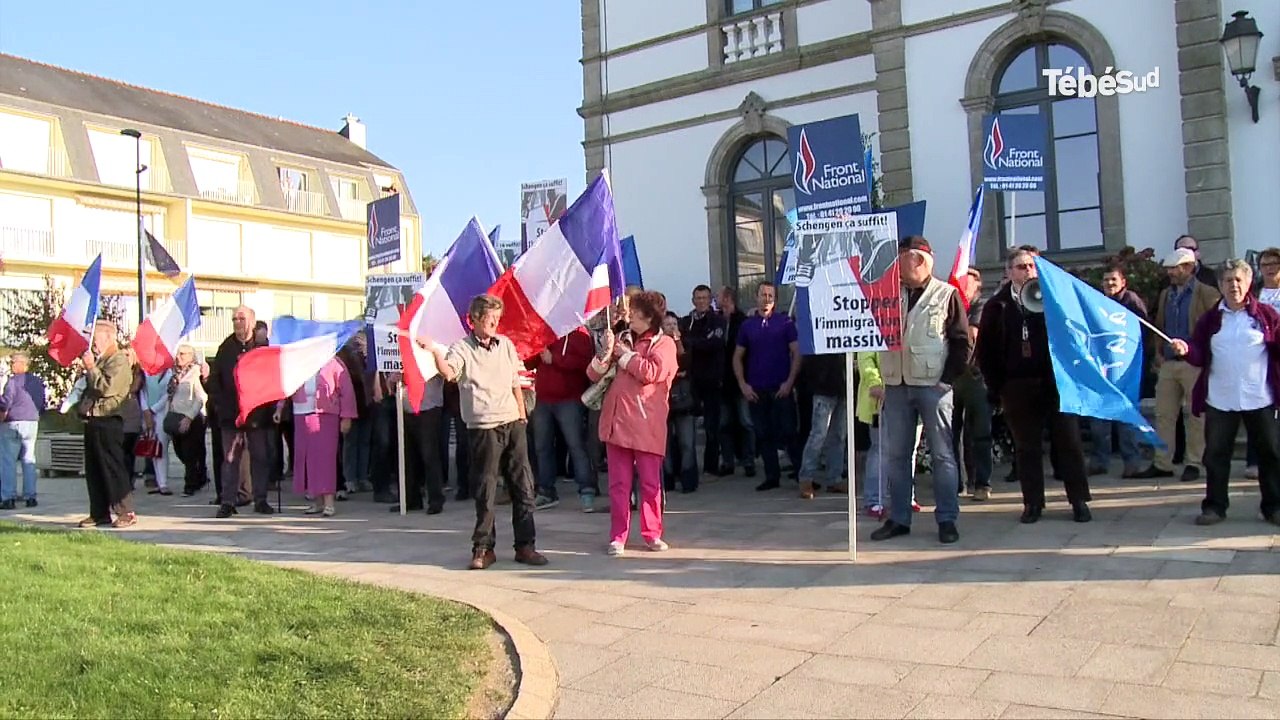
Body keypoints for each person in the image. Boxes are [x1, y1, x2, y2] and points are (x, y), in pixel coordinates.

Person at [422, 294, 548, 570]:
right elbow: (450, 374)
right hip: (483, 426)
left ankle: (526, 545)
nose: (494, 323)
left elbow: (516, 380)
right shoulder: (461, 348)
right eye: (489, 318)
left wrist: (521, 413)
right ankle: (483, 548)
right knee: (485, 488)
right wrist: (435, 352)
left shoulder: (506, 345)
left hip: (512, 422)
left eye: (496, 319)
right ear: (475, 320)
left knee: (523, 486)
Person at [978, 245, 1092, 524]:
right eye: (1021, 267)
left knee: (1069, 442)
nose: (1028, 271)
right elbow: (986, 350)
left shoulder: (1054, 298)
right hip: (1017, 385)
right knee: (1026, 447)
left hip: (1056, 383)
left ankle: (1078, 500)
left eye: (1032, 266)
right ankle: (1033, 503)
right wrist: (998, 387)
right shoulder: (998, 305)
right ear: (1009, 272)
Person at [870, 237, 970, 545]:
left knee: (942, 455)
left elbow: (961, 341)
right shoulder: (887, 294)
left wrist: (948, 380)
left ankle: (947, 519)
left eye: (900, 258)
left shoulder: (947, 294)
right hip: (896, 384)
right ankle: (899, 518)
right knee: (897, 455)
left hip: (933, 385)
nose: (895, 265)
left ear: (919, 261)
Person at [1168, 259, 1280, 527]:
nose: (1234, 286)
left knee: (1271, 455)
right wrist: (1186, 349)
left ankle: (1273, 507)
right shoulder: (1211, 319)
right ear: (1219, 285)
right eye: (1228, 281)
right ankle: (1215, 507)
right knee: (1216, 456)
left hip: (1259, 398)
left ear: (1249, 282)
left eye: (1238, 280)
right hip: (1220, 399)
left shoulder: (1266, 315)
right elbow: (1198, 354)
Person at [588, 291, 677, 556]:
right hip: (618, 423)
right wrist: (605, 352)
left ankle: (652, 533)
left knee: (650, 485)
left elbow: (652, 372)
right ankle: (618, 536)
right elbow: (592, 374)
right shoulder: (623, 337)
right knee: (618, 485)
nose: (630, 318)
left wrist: (625, 355)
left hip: (647, 424)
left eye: (635, 314)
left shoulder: (665, 344)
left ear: (649, 318)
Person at [1134, 248, 1221, 483]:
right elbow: (1160, 324)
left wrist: (1203, 356)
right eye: (1170, 268)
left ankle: (1194, 461)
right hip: (1170, 362)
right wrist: (1159, 352)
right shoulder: (1166, 294)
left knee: (1195, 415)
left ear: (1190, 268)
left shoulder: (1207, 293)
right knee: (1164, 415)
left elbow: (1214, 328)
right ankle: (1162, 462)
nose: (1171, 272)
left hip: (1193, 362)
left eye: (1176, 268)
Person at [733, 282, 801, 492]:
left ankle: (802, 474)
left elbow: (797, 353)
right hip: (757, 390)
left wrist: (789, 382)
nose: (766, 298)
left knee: (789, 432)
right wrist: (743, 384)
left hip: (781, 388)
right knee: (764, 434)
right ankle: (772, 476)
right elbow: (737, 356)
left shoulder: (785, 323)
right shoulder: (747, 326)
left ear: (775, 299)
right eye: (763, 294)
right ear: (756, 297)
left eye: (770, 295)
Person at [211, 306, 277, 518]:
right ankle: (228, 501)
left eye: (241, 318)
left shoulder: (262, 348)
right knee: (230, 459)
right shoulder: (226, 348)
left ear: (252, 320)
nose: (237, 323)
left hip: (257, 416)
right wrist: (222, 408)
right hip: (231, 416)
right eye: (234, 319)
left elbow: (271, 379)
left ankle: (260, 500)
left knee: (260, 457)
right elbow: (216, 381)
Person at [1088, 264, 1149, 478]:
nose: (1109, 284)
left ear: (1123, 282)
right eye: (1106, 281)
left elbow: (1143, 331)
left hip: (1125, 369)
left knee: (1126, 419)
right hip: (1103, 368)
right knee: (1099, 420)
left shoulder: (1131, 301)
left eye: (1113, 280)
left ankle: (1131, 462)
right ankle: (1100, 461)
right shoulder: (1098, 302)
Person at [528, 327, 598, 511]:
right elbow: (530, 363)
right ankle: (546, 491)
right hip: (543, 398)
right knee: (542, 446)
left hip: (569, 399)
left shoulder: (580, 333)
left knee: (576, 445)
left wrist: (556, 360)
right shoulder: (545, 331)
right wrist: (534, 349)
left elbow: (585, 364)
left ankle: (587, 490)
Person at [277, 356, 355, 517]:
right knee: (307, 459)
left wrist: (347, 416)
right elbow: (286, 386)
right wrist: (279, 408)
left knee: (325, 459)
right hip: (301, 414)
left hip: (326, 415)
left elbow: (346, 391)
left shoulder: (334, 362)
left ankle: (328, 501)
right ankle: (316, 500)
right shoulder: (298, 362)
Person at [78, 321, 137, 528]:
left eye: (95, 339)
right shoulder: (102, 360)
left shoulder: (118, 360)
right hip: (93, 418)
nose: (92, 344)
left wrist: (91, 368)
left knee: (113, 467)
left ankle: (125, 511)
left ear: (109, 338)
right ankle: (99, 512)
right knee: (94, 468)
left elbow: (107, 388)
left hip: (109, 419)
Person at [952, 267, 994, 500]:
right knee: (951, 433)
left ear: (976, 285)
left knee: (980, 433)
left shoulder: (980, 306)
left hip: (976, 376)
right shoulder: (951, 304)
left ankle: (982, 482)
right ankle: (956, 483)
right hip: (953, 376)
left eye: (965, 282)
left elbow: (972, 336)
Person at [679, 285, 727, 477]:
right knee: (685, 425)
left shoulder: (718, 320)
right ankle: (687, 467)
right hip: (691, 380)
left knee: (711, 426)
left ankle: (711, 466)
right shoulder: (686, 321)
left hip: (712, 380)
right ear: (693, 300)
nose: (700, 301)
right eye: (697, 298)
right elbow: (682, 344)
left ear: (710, 300)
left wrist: (692, 343)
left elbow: (714, 343)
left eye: (704, 298)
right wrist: (696, 342)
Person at [717, 286, 755, 477]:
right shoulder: (717, 320)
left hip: (741, 380)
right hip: (722, 381)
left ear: (728, 298)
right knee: (724, 424)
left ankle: (749, 460)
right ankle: (728, 462)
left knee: (746, 422)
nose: (716, 299)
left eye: (719, 296)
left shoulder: (742, 321)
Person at [797, 351, 847, 500]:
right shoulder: (819, 331)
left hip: (843, 387)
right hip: (823, 388)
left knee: (839, 436)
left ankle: (834, 479)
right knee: (818, 435)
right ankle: (806, 478)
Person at [0, 352, 46, 509]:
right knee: (29, 460)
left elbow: (6, 402)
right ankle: (30, 496)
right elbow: (42, 403)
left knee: (8, 461)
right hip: (32, 422)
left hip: (13, 422)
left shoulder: (12, 382)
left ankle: (8, 497)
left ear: (21, 364)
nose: (12, 365)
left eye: (13, 362)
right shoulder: (38, 382)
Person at [166, 345, 210, 497]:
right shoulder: (175, 373)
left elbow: (201, 398)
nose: (179, 356)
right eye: (178, 353)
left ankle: (190, 484)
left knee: (190, 451)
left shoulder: (195, 373)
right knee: (179, 450)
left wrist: (189, 418)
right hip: (176, 416)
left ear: (191, 356)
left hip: (192, 418)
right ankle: (199, 475)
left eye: (183, 354)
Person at [663, 312, 699, 494]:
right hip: (663, 400)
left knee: (687, 442)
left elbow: (685, 363)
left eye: (674, 324)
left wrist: (677, 341)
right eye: (667, 324)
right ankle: (667, 479)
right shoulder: (657, 345)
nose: (671, 327)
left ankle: (688, 479)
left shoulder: (686, 342)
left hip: (684, 399)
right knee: (665, 444)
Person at [403, 375, 447, 514]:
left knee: (429, 456)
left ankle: (435, 499)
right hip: (405, 407)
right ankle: (411, 499)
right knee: (408, 457)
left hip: (428, 407)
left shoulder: (433, 352)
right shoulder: (401, 354)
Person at [141, 362, 175, 495]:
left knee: (161, 448)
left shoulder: (168, 373)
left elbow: (168, 394)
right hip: (146, 414)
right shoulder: (145, 371)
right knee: (152, 447)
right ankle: (157, 480)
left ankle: (163, 483)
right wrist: (146, 410)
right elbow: (142, 392)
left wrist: (154, 409)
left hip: (161, 413)